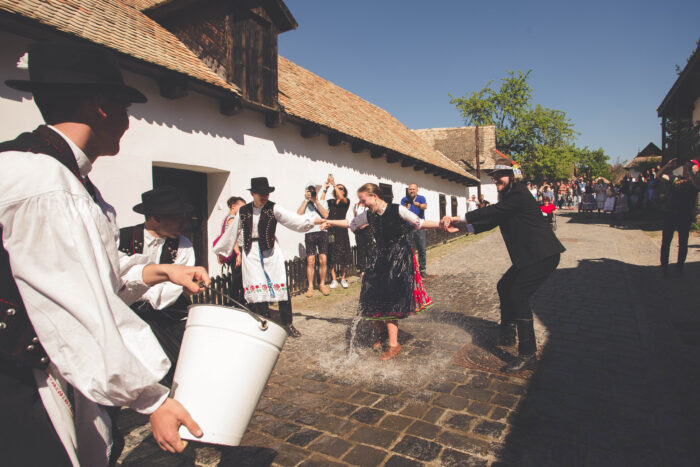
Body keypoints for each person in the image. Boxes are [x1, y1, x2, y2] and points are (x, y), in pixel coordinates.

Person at [0, 41, 207, 466]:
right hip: (22, 383)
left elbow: (103, 277)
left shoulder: (58, 179)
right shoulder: (47, 185)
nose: (128, 123)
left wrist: (163, 270)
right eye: (125, 109)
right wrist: (151, 397)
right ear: (100, 106)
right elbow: (82, 306)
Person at [442, 157, 565, 373]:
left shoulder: (518, 194)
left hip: (543, 255)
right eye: (494, 176)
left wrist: (457, 217)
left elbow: (493, 212)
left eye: (500, 175)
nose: (496, 179)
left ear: (512, 176)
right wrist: (462, 229)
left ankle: (527, 354)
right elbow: (492, 221)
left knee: (518, 294)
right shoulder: (507, 196)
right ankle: (508, 330)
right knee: (504, 286)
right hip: (529, 257)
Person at [322, 183, 446, 361]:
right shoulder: (369, 214)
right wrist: (330, 222)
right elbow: (351, 223)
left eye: (363, 200)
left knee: (389, 298)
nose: (362, 203)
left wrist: (440, 224)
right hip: (379, 256)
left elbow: (419, 223)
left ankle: (394, 344)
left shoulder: (398, 210)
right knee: (369, 293)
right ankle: (381, 333)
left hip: (399, 257)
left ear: (375, 196)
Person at [214, 177, 323, 337]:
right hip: (251, 252)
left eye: (266, 193)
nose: (264, 196)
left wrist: (316, 221)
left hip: (271, 251)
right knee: (257, 287)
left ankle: (287, 324)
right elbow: (231, 233)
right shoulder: (243, 212)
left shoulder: (273, 208)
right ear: (252, 193)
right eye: (260, 193)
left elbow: (294, 220)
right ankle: (265, 323)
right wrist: (222, 251)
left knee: (280, 284)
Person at [119, 186, 196, 385]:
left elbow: (172, 287)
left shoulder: (183, 244)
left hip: (165, 312)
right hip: (125, 312)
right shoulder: (121, 239)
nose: (183, 222)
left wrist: (146, 300)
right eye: (176, 217)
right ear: (155, 218)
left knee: (178, 365)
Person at [657, 158, 700, 274]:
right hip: (670, 213)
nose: (688, 166)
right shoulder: (675, 178)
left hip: (684, 215)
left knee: (683, 243)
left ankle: (679, 267)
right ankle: (664, 266)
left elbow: (697, 187)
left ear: (697, 168)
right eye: (687, 165)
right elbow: (659, 176)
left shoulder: (696, 180)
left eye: (691, 165)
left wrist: (690, 173)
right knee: (666, 241)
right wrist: (667, 166)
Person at [298, 183, 330, 297]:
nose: (311, 193)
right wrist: (306, 200)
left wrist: (316, 200)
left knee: (323, 260)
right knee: (310, 261)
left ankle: (322, 284)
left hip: (322, 232)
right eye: (308, 190)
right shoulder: (305, 203)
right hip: (309, 233)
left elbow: (326, 215)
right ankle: (310, 286)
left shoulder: (322, 202)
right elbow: (298, 214)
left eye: (312, 191)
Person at [321, 176, 351, 289]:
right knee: (332, 253)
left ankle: (343, 278)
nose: (339, 189)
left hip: (342, 230)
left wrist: (334, 184)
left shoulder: (346, 201)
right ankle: (334, 279)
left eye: (341, 188)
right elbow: (322, 202)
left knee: (343, 255)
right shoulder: (332, 202)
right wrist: (325, 188)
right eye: (338, 188)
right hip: (331, 230)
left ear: (344, 191)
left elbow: (342, 198)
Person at [400, 183, 428, 276]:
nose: (411, 191)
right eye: (410, 189)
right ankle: (411, 270)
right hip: (408, 228)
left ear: (417, 190)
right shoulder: (404, 200)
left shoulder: (421, 198)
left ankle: (422, 269)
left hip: (419, 228)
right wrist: (404, 209)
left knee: (422, 249)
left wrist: (419, 205)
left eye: (413, 189)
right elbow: (400, 212)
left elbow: (425, 206)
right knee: (408, 250)